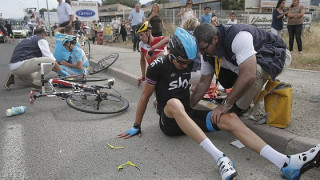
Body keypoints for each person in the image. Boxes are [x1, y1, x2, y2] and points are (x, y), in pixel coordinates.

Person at [118, 27, 320, 180]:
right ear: (170, 53)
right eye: (181, 63)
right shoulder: (157, 66)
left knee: (229, 117)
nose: (185, 67)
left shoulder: (189, 59)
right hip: (169, 121)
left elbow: (204, 82)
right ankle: (220, 158)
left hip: (187, 116)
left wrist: (221, 105)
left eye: (189, 63)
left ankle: (285, 163)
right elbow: (145, 96)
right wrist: (137, 125)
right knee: (173, 103)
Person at [192, 23, 292, 117]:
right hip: (251, 61)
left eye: (203, 49)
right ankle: (245, 99)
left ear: (215, 39)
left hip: (276, 55)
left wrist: (224, 105)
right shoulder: (205, 50)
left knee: (255, 72)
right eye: (199, 50)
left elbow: (249, 75)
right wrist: (188, 106)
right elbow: (203, 82)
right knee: (232, 79)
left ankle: (240, 109)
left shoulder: (238, 37)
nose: (202, 53)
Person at [4, 28, 70, 90]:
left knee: (36, 78)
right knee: (50, 61)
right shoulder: (41, 40)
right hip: (22, 65)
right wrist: (62, 72)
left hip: (15, 66)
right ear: (43, 34)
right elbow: (50, 60)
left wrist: (56, 68)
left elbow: (46, 64)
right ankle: (38, 84)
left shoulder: (27, 39)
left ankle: (14, 79)